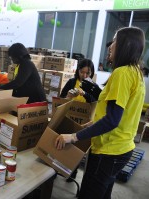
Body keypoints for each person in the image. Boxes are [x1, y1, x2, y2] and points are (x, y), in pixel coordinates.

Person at [55, 26, 146, 199]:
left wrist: (73, 137)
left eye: (115, 41)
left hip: (109, 151)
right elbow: (119, 115)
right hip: (122, 149)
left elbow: (112, 120)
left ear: (125, 45)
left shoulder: (122, 73)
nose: (111, 46)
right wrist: (88, 126)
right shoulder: (136, 72)